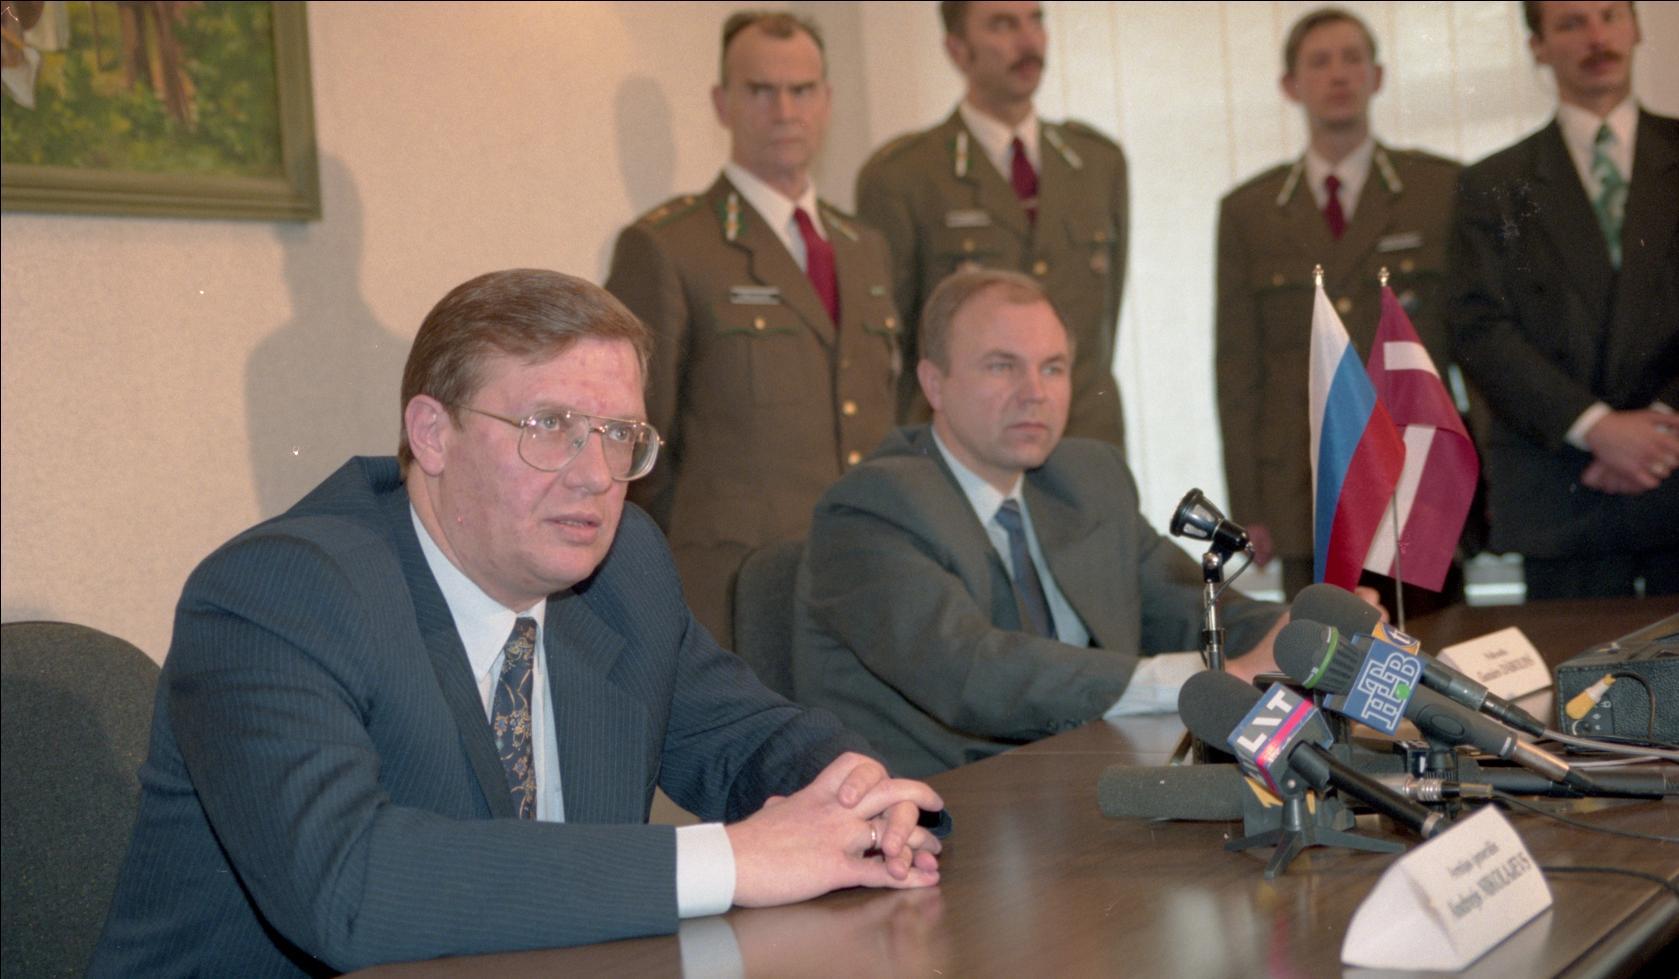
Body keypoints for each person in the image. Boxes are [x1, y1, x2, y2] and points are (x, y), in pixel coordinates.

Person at [90, 270, 944, 976]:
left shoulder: (621, 567)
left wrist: (861, 801)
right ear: (432, 433)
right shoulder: (279, 592)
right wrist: (735, 858)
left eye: (619, 434)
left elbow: (743, 738)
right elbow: (349, 887)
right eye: (550, 427)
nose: (596, 475)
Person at [793, 269, 1286, 777]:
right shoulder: (873, 507)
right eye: (1002, 366)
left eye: (1053, 368)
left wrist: (1296, 636)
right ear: (934, 384)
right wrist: (1197, 679)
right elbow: (973, 670)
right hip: (943, 800)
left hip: (1087, 779)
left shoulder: (1088, 480)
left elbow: (1191, 607)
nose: (1035, 393)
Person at [605, 11, 901, 643]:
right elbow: (633, 447)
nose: (785, 111)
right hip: (733, 595)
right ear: (723, 103)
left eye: (802, 90)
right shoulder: (670, 246)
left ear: (828, 101)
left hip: (866, 581)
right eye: (761, 90)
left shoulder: (865, 247)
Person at [1216, 7, 1463, 604]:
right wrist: (1250, 504)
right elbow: (1237, 371)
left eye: (1353, 59)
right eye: (1319, 62)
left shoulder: (1438, 189)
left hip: (1418, 480)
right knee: (1324, 650)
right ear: (1290, 85)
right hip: (1307, 487)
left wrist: (1481, 491)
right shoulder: (1250, 211)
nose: (1338, 74)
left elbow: (1472, 348)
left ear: (1377, 77)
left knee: (1438, 647)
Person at [1448, 0, 1678, 599]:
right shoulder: (1492, 185)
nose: (1596, 37)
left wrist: (1657, 430)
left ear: (1636, 27)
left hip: (1675, 468)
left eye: (1609, 15)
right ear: (1538, 45)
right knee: (1577, 662)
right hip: (1563, 495)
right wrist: (1597, 428)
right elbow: (1479, 329)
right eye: (1571, 23)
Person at [856, 0, 1128, 448]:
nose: (1027, 40)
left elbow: (1104, 323)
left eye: (1035, 20)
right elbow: (890, 351)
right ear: (957, 50)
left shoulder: (1097, 163)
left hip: (1085, 442)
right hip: (967, 451)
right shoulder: (904, 177)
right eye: (1002, 25)